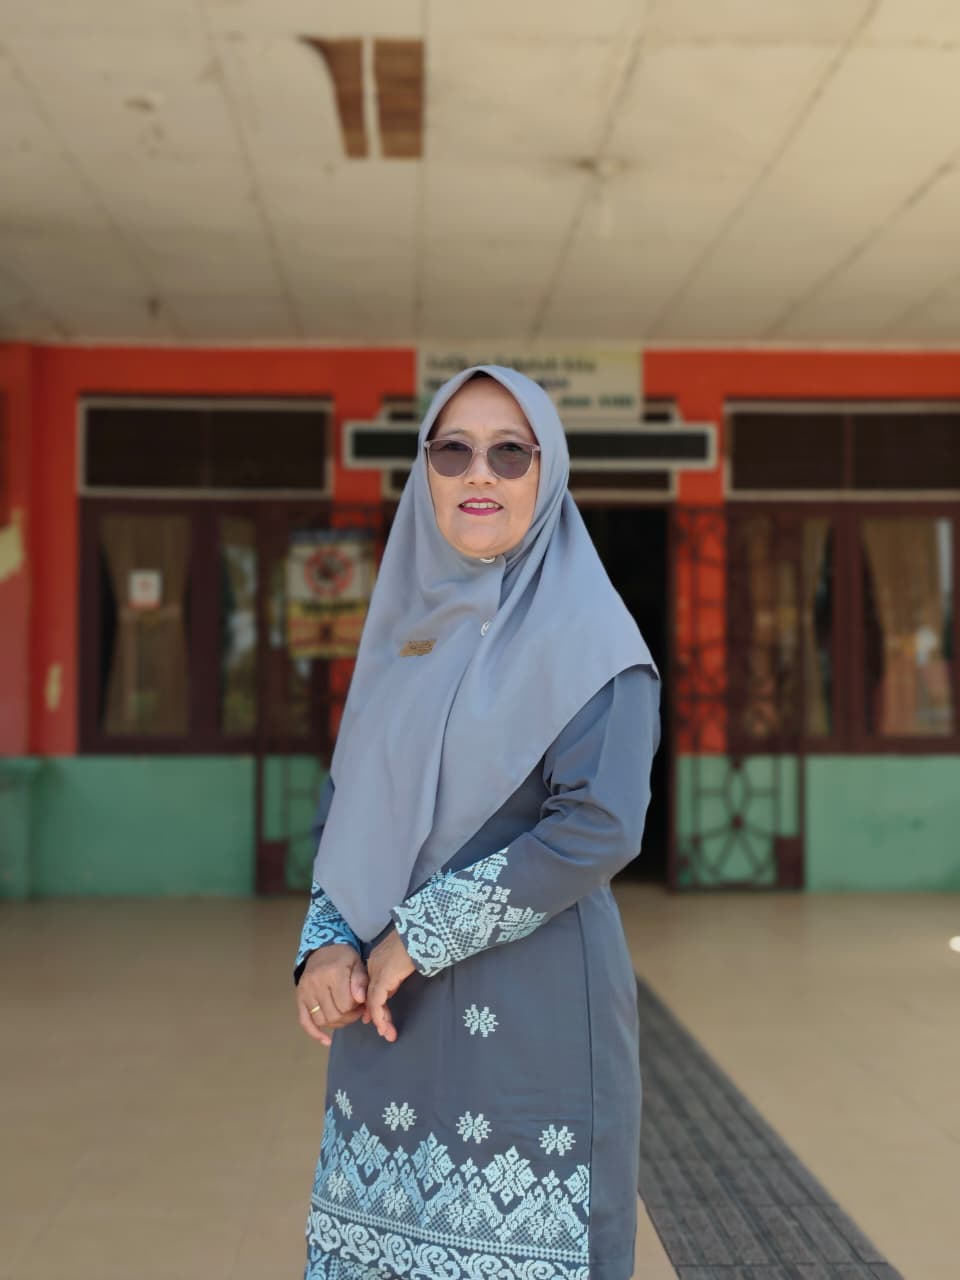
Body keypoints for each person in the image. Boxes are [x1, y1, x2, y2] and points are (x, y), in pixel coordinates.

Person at [293, 366, 660, 1280]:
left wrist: (419, 935)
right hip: (386, 1017)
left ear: (548, 472)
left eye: (509, 452)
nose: (479, 473)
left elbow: (600, 825)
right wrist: (327, 944)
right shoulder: (403, 636)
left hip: (529, 1015)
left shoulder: (595, 641)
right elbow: (349, 801)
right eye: (452, 451)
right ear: (426, 473)